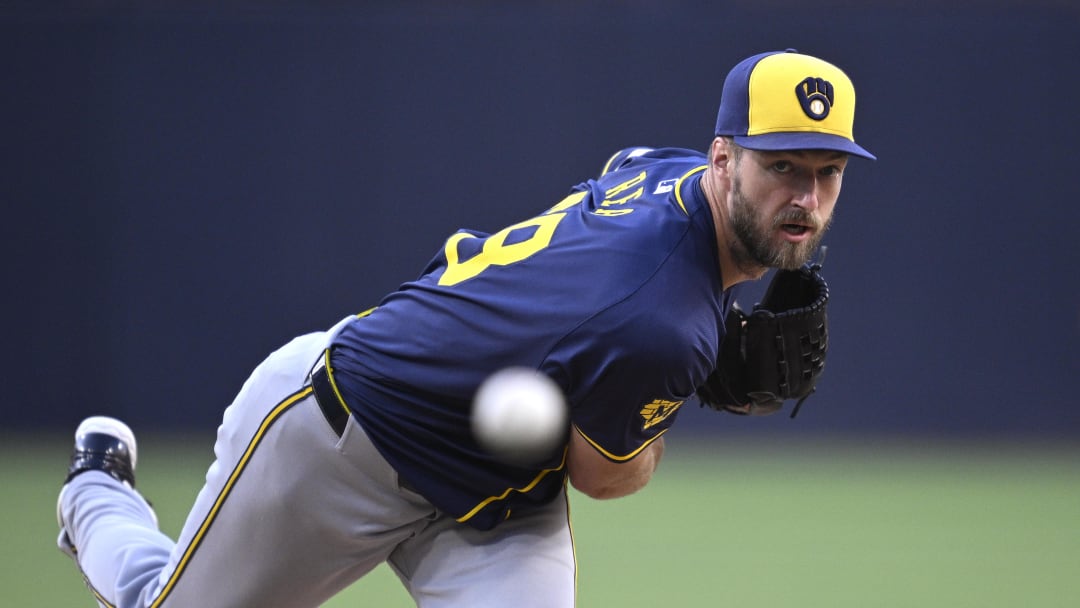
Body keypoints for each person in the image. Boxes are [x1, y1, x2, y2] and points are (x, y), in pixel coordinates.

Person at [56, 48, 874, 607]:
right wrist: (678, 378)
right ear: (724, 158)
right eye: (781, 167)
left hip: (496, 496)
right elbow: (608, 475)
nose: (804, 198)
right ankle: (94, 491)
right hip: (349, 437)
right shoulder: (661, 327)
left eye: (825, 172)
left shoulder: (669, 175)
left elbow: (624, 172)